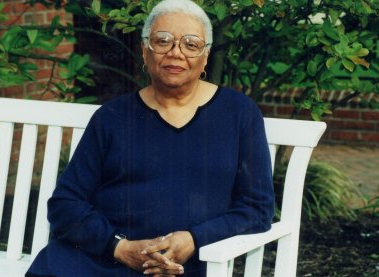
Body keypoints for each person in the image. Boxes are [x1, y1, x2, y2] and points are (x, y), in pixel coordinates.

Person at [26, 0, 274, 276]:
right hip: (105, 259)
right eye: (162, 41)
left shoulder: (239, 114)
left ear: (205, 57)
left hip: (187, 264)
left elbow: (257, 208)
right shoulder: (111, 117)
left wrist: (194, 239)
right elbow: (65, 203)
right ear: (145, 52)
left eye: (190, 44)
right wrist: (119, 247)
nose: (175, 53)